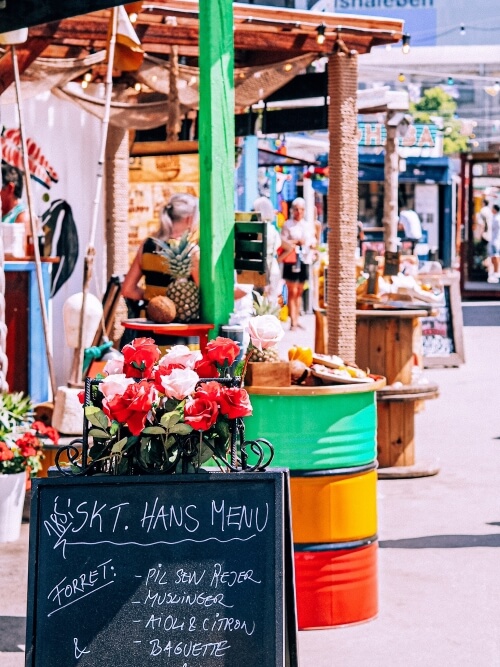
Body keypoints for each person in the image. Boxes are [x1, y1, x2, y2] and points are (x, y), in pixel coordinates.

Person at [121, 193, 199, 347]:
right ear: (189, 219)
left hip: (148, 332)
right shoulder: (191, 252)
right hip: (180, 334)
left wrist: (154, 298)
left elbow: (128, 290)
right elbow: (203, 292)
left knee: (148, 369)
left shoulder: (147, 245)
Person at [279, 197, 316, 331]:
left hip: (304, 259)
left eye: (301, 209)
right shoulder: (288, 225)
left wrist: (310, 244)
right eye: (296, 209)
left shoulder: (307, 225)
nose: (299, 212)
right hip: (292, 260)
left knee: (299, 291)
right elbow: (282, 241)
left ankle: (297, 318)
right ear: (292, 210)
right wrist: (295, 242)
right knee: (292, 291)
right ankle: (292, 320)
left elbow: (312, 240)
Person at [252, 196, 289, 305]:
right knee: (271, 301)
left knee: (258, 302)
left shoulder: (256, 228)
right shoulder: (273, 229)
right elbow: (279, 245)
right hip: (273, 267)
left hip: (259, 268)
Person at [487, 204, 500, 283]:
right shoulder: (493, 218)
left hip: (496, 241)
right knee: (493, 257)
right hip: (492, 240)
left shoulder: (498, 219)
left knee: (496, 257)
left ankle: (496, 272)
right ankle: (494, 272)